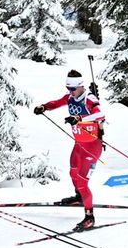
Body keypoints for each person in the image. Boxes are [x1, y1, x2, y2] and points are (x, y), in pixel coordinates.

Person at [33, 70, 105, 231]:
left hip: (92, 146)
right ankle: (79, 198)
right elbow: (56, 103)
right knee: (73, 171)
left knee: (82, 181)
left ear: (81, 86)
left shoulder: (89, 99)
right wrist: (44, 107)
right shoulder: (70, 97)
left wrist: (79, 119)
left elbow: (100, 114)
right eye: (68, 88)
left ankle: (89, 217)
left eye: (72, 89)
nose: (70, 92)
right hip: (79, 144)